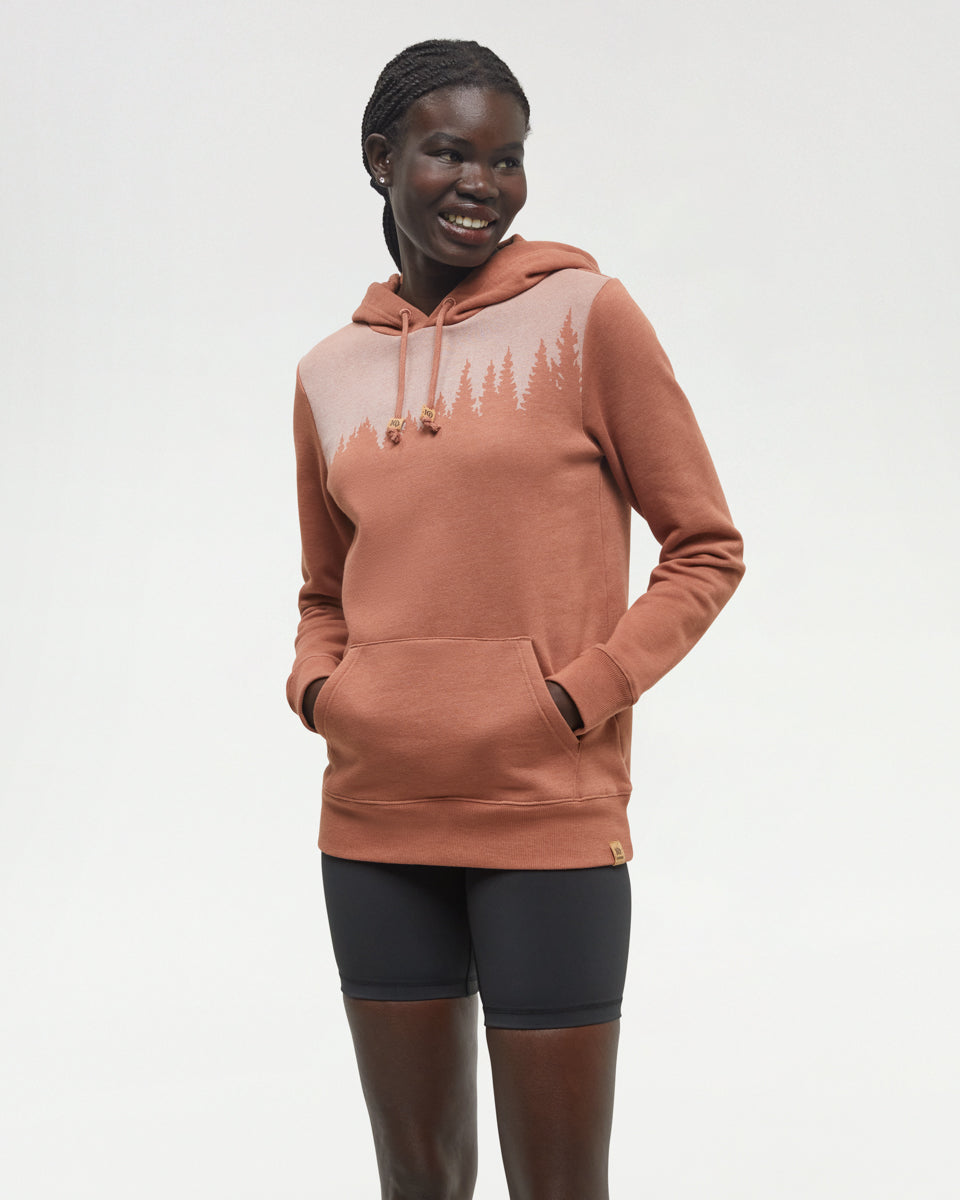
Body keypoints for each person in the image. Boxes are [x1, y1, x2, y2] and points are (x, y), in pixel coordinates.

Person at [286, 38, 745, 1200]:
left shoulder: (589, 318)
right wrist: (322, 689)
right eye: (451, 153)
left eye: (507, 159)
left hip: (548, 811)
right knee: (418, 1182)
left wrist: (576, 698)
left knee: (561, 1187)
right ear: (381, 158)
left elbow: (705, 548)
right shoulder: (329, 372)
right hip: (374, 821)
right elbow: (324, 589)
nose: (483, 185)